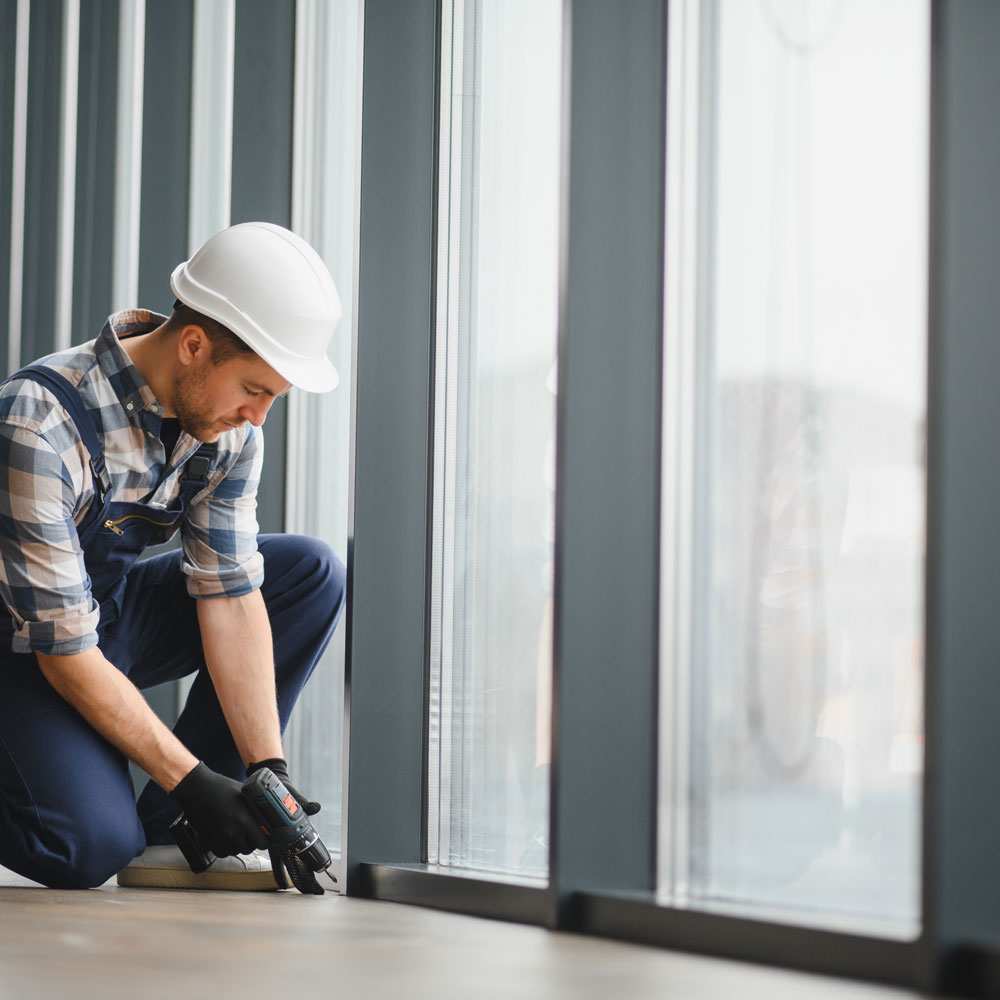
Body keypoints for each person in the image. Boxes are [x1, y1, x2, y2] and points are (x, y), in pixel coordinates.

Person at [0, 222, 346, 891]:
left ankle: (182, 831)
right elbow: (64, 653)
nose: (259, 416)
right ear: (193, 346)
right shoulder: (37, 424)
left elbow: (230, 592)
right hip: (23, 650)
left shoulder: (226, 430)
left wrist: (264, 768)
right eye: (254, 390)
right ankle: (177, 806)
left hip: (101, 616)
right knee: (88, 847)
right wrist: (191, 777)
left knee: (308, 572)